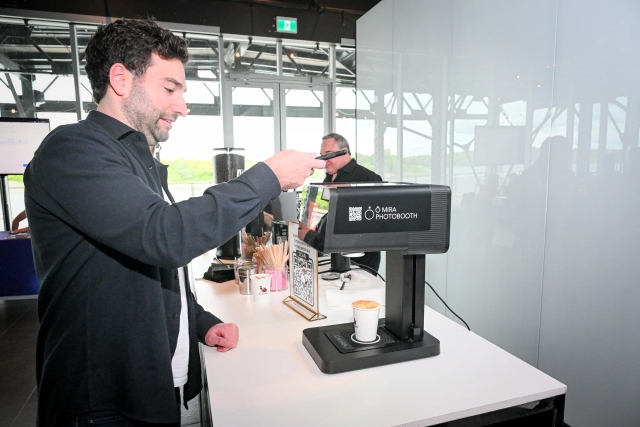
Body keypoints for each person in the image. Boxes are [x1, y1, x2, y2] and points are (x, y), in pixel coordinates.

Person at [23, 19, 324, 427]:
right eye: (170, 88)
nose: (183, 106)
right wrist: (267, 175)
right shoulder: (72, 150)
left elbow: (148, 267)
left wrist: (200, 323)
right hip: (102, 400)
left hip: (147, 387)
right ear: (120, 79)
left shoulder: (135, 160)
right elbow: (164, 236)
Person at [298, 133, 383, 272]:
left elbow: (368, 226)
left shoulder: (367, 178)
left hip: (360, 262)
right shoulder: (327, 180)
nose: (324, 160)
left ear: (344, 151)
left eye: (328, 154)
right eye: (322, 155)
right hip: (332, 258)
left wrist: (310, 236)